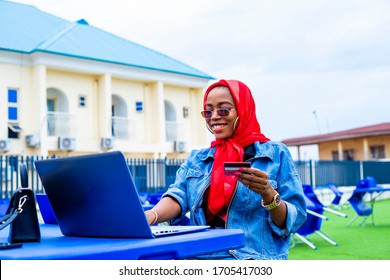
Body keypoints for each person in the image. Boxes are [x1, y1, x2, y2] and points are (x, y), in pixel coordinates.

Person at [145, 79, 307, 260]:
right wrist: (151, 216)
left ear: (243, 109)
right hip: (199, 255)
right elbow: (177, 196)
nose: (214, 116)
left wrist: (268, 193)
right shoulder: (198, 159)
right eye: (208, 111)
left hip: (250, 257)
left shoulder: (275, 154)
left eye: (223, 109)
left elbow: (294, 220)